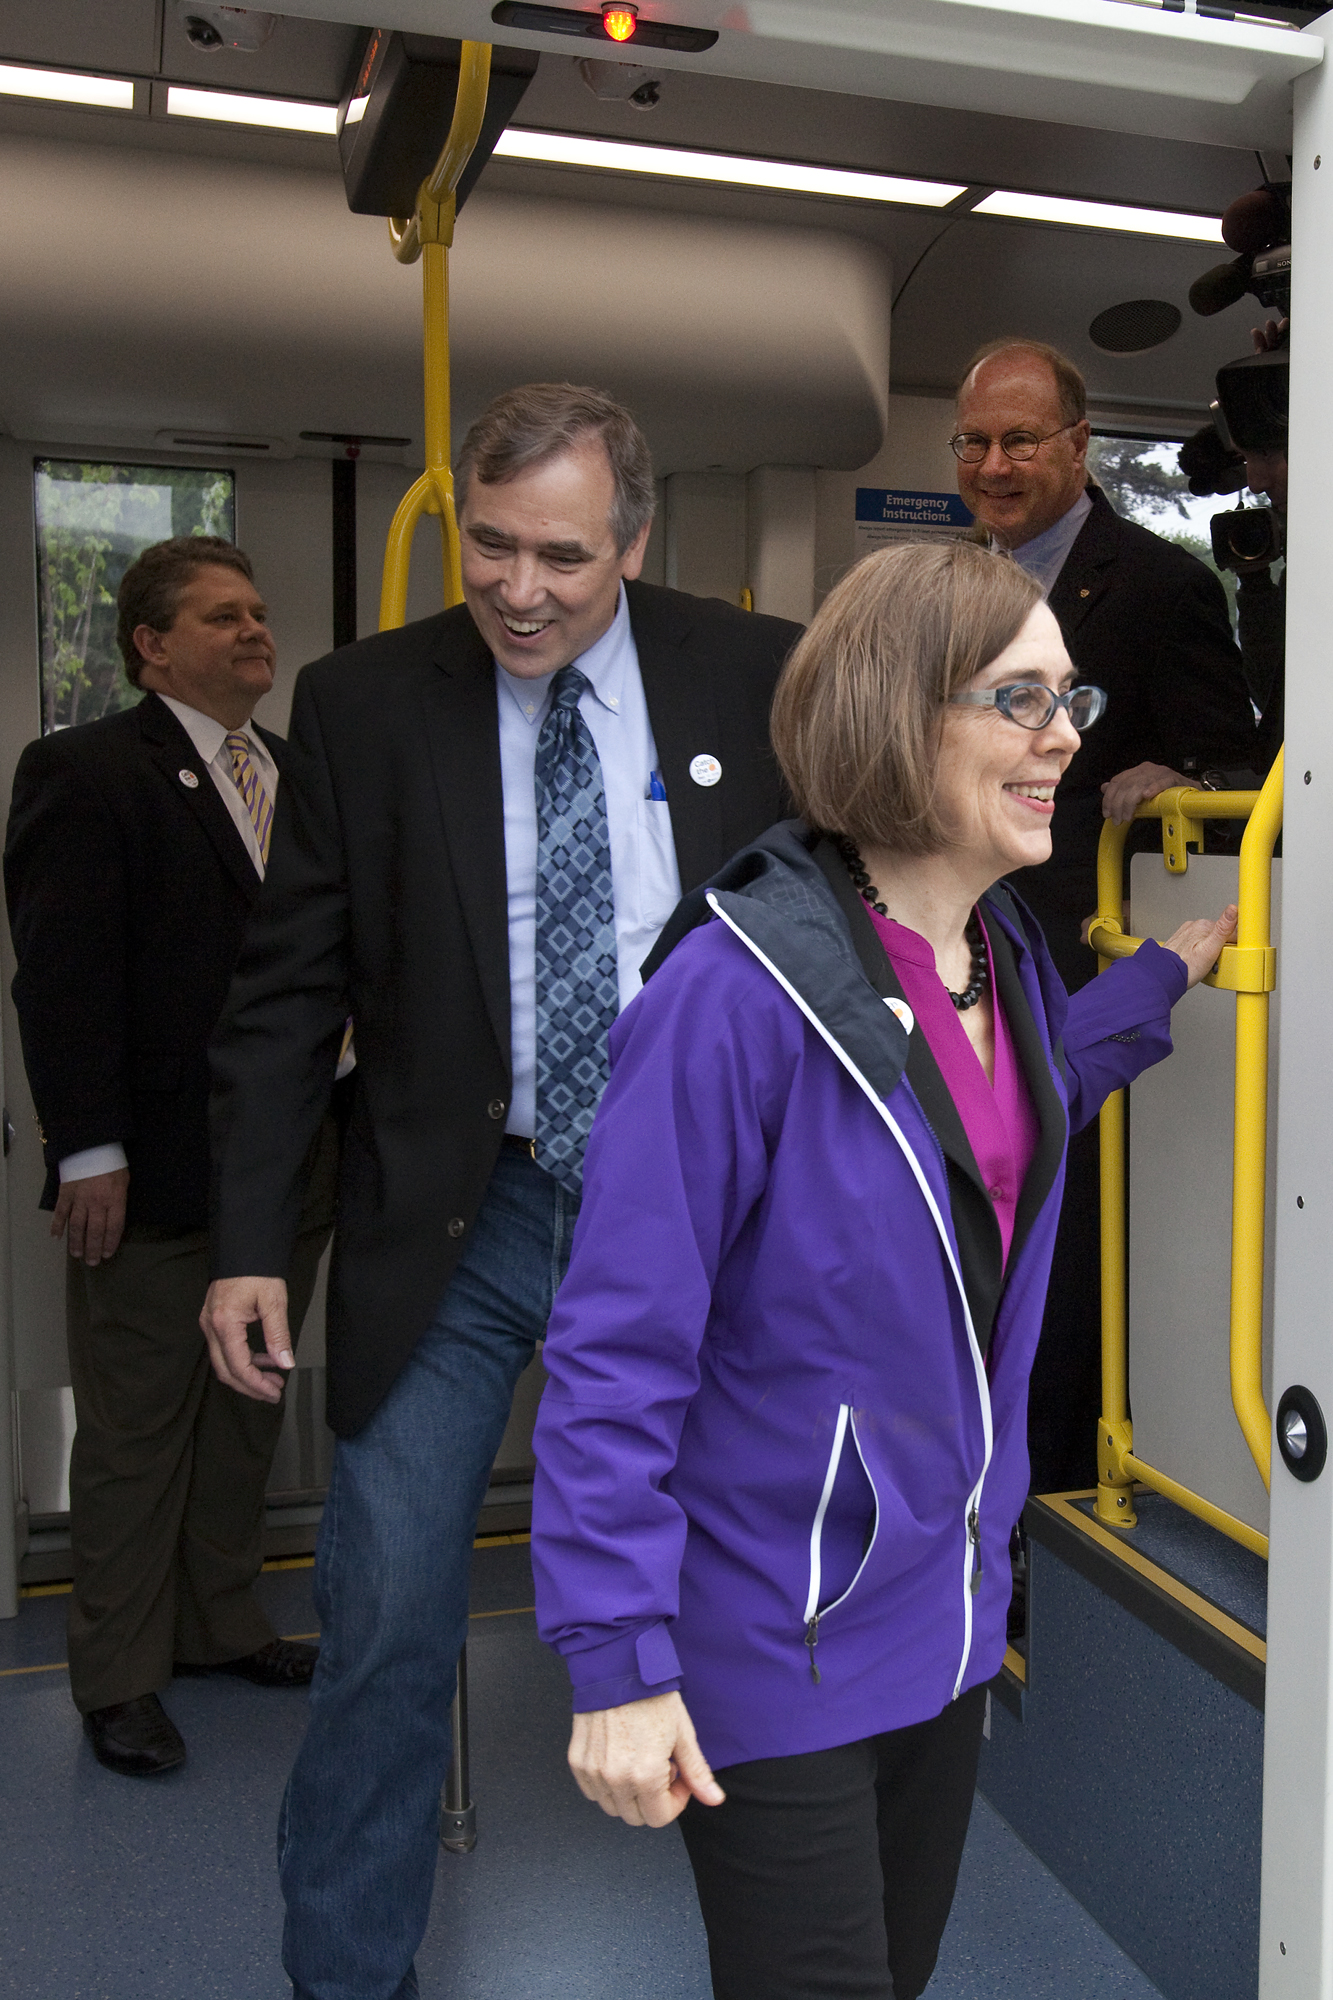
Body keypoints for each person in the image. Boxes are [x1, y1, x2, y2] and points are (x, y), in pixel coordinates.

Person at [530, 540, 1236, 2000]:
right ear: (893, 717)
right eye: (1021, 699)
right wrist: (615, 1658)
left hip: (944, 1618)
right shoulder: (732, 996)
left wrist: (1163, 975)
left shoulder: (998, 955)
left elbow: (1013, 1104)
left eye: (1071, 697)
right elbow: (616, 1351)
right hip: (773, 1629)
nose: (1066, 737)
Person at [197, 383, 802, 2000]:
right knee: (387, 1621)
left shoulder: (755, 675)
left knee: (762, 1608)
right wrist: (249, 1243)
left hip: (699, 1221)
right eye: (490, 546)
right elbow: (283, 992)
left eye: (562, 557)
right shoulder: (363, 704)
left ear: (635, 541)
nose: (519, 591)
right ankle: (347, 1981)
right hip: (463, 1221)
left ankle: (797, 1961)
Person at [3, 538, 334, 1780]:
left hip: (294, 1164)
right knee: (138, 1428)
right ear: (150, 644)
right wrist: (87, 1146)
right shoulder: (86, 771)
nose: (255, 631)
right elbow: (62, 976)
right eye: (222, 616)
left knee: (247, 1412)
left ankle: (220, 1620)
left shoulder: (294, 772)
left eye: (258, 611)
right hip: (152, 1168)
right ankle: (119, 1675)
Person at [951, 338, 1258, 1489]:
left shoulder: (1161, 584)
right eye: (974, 442)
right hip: (962, 953)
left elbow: (1236, 762)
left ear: (1079, 446)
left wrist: (1181, 774)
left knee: (1064, 1245)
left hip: (1080, 959)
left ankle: (1047, 1499)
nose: (994, 464)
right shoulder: (955, 585)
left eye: (1020, 440)